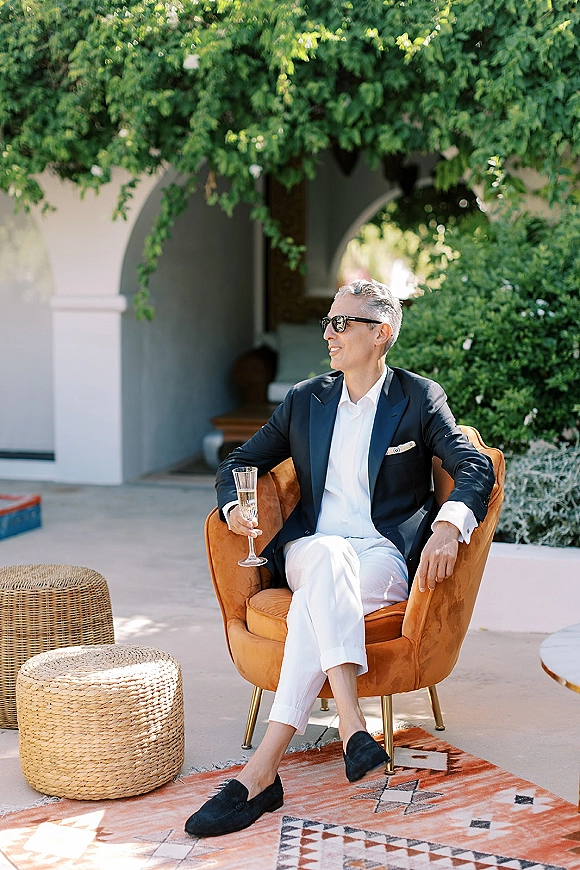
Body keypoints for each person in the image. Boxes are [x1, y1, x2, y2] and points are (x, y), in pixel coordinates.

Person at [185, 278, 495, 838]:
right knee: (327, 556)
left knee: (315, 603)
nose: (328, 333)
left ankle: (261, 775)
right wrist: (233, 507)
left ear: (381, 333)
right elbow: (240, 461)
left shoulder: (418, 398)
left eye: (341, 323)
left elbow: (474, 465)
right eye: (327, 322)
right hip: (311, 548)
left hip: (381, 556)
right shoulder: (307, 399)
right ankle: (353, 725)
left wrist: (450, 525)